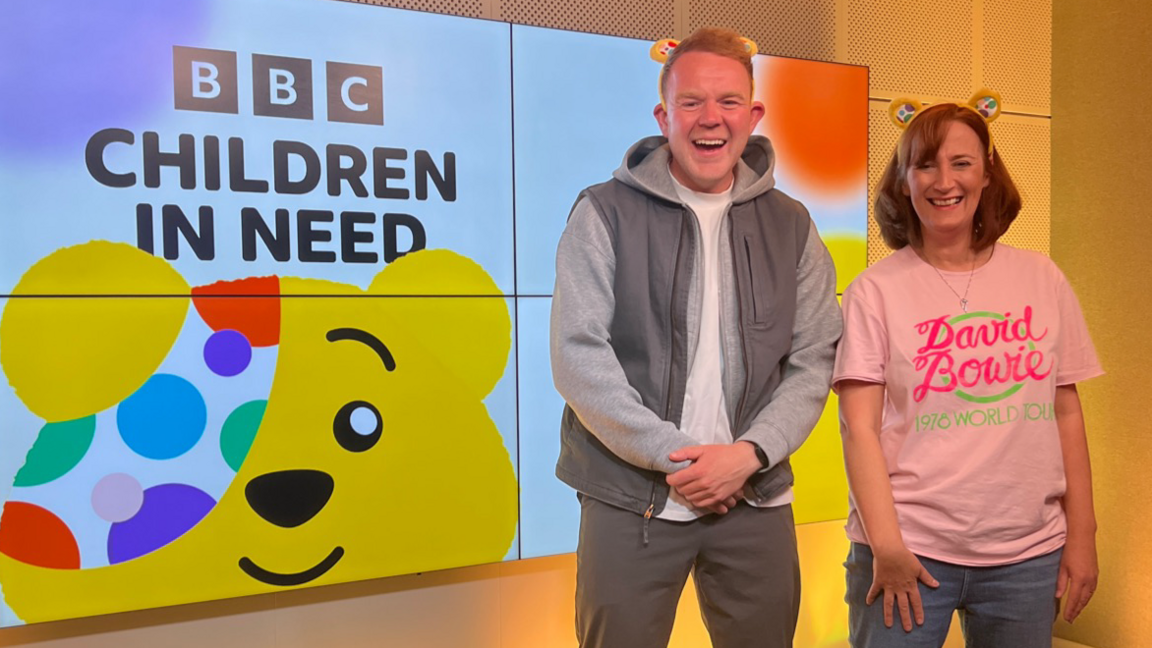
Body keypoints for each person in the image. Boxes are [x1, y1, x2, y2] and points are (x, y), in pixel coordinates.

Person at [550, 26, 842, 648]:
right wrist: (680, 459)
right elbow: (578, 357)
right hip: (632, 498)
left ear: (754, 114)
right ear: (664, 114)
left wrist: (746, 456)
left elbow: (814, 358)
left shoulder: (792, 225)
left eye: (729, 101)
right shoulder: (602, 212)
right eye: (691, 102)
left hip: (755, 496)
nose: (711, 119)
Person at [834, 92, 1102, 648]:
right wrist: (886, 547)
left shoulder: (1041, 278)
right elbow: (857, 427)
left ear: (987, 175)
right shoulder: (874, 291)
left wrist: (1083, 534)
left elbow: (1067, 413)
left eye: (961, 163)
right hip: (906, 549)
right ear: (904, 182)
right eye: (925, 165)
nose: (943, 181)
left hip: (1027, 556)